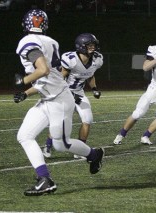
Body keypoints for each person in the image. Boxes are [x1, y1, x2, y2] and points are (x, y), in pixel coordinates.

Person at [14, 9, 104, 196]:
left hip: (59, 100)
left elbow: (43, 70)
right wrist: (28, 91)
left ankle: (95, 155)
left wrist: (21, 82)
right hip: (48, 98)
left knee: (60, 145)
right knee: (24, 136)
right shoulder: (50, 41)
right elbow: (48, 77)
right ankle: (44, 179)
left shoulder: (27, 41)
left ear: (26, 24)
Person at [43, 33, 103, 159]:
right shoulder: (71, 59)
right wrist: (70, 95)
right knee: (60, 121)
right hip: (64, 92)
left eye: (93, 44)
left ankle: (80, 150)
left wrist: (94, 88)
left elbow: (90, 74)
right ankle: (48, 146)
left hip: (79, 93)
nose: (93, 47)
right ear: (81, 47)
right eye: (90, 45)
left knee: (88, 119)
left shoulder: (97, 59)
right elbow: (59, 80)